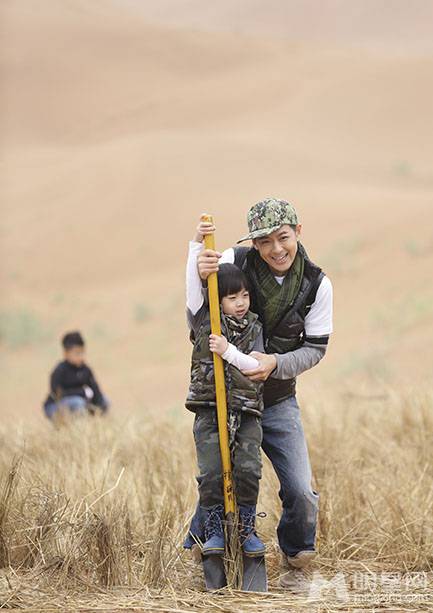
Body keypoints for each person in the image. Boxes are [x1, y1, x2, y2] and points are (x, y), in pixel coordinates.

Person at [186, 198, 333, 587]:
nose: (276, 249)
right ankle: (209, 537)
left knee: (301, 491)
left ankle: (296, 553)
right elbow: (199, 312)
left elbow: (315, 349)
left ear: (298, 233)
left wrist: (274, 364)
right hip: (227, 396)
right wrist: (199, 270)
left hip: (278, 399)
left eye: (283, 238)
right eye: (265, 242)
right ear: (254, 244)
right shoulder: (234, 259)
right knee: (220, 473)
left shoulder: (318, 284)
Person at [185, 220, 267, 557]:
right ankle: (214, 529)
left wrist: (228, 352)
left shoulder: (255, 327)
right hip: (209, 407)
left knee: (248, 469)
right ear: (217, 300)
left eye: (244, 294)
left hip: (246, 409)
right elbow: (193, 283)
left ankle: (246, 529)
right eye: (232, 297)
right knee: (211, 472)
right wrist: (196, 243)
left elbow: (256, 365)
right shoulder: (204, 318)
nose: (241, 302)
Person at [42, 331, 109, 420]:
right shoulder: (59, 370)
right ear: (66, 353)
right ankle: (78, 429)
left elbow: (95, 390)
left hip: (80, 402)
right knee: (77, 402)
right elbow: (58, 394)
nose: (81, 356)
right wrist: (82, 392)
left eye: (82, 352)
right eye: (77, 353)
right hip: (54, 406)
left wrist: (99, 403)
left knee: (105, 401)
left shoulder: (86, 370)